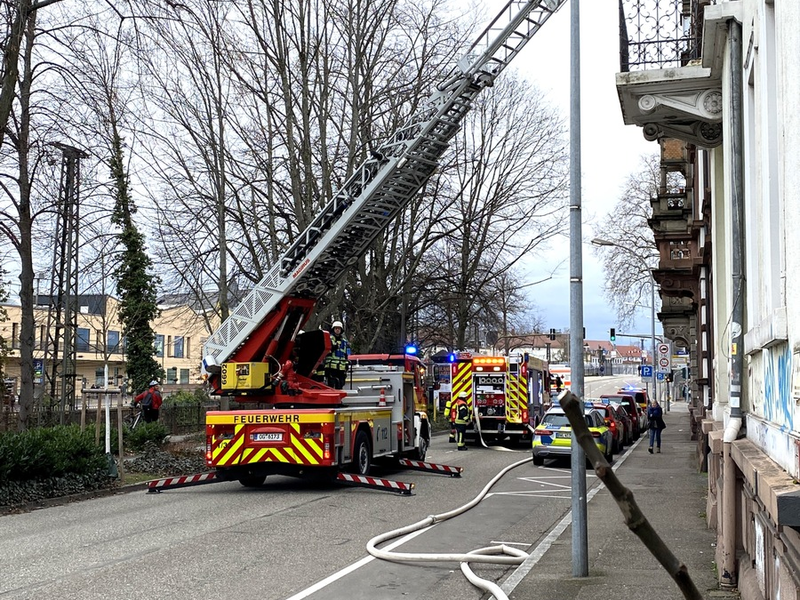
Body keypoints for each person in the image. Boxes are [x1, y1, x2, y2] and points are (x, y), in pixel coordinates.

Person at [324, 320, 351, 389]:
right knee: (331, 385)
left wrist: (346, 364)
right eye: (336, 328)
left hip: (341, 367)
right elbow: (327, 351)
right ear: (333, 329)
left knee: (340, 384)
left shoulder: (344, 341)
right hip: (331, 367)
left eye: (339, 328)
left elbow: (345, 354)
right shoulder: (329, 339)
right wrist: (333, 347)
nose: (337, 330)